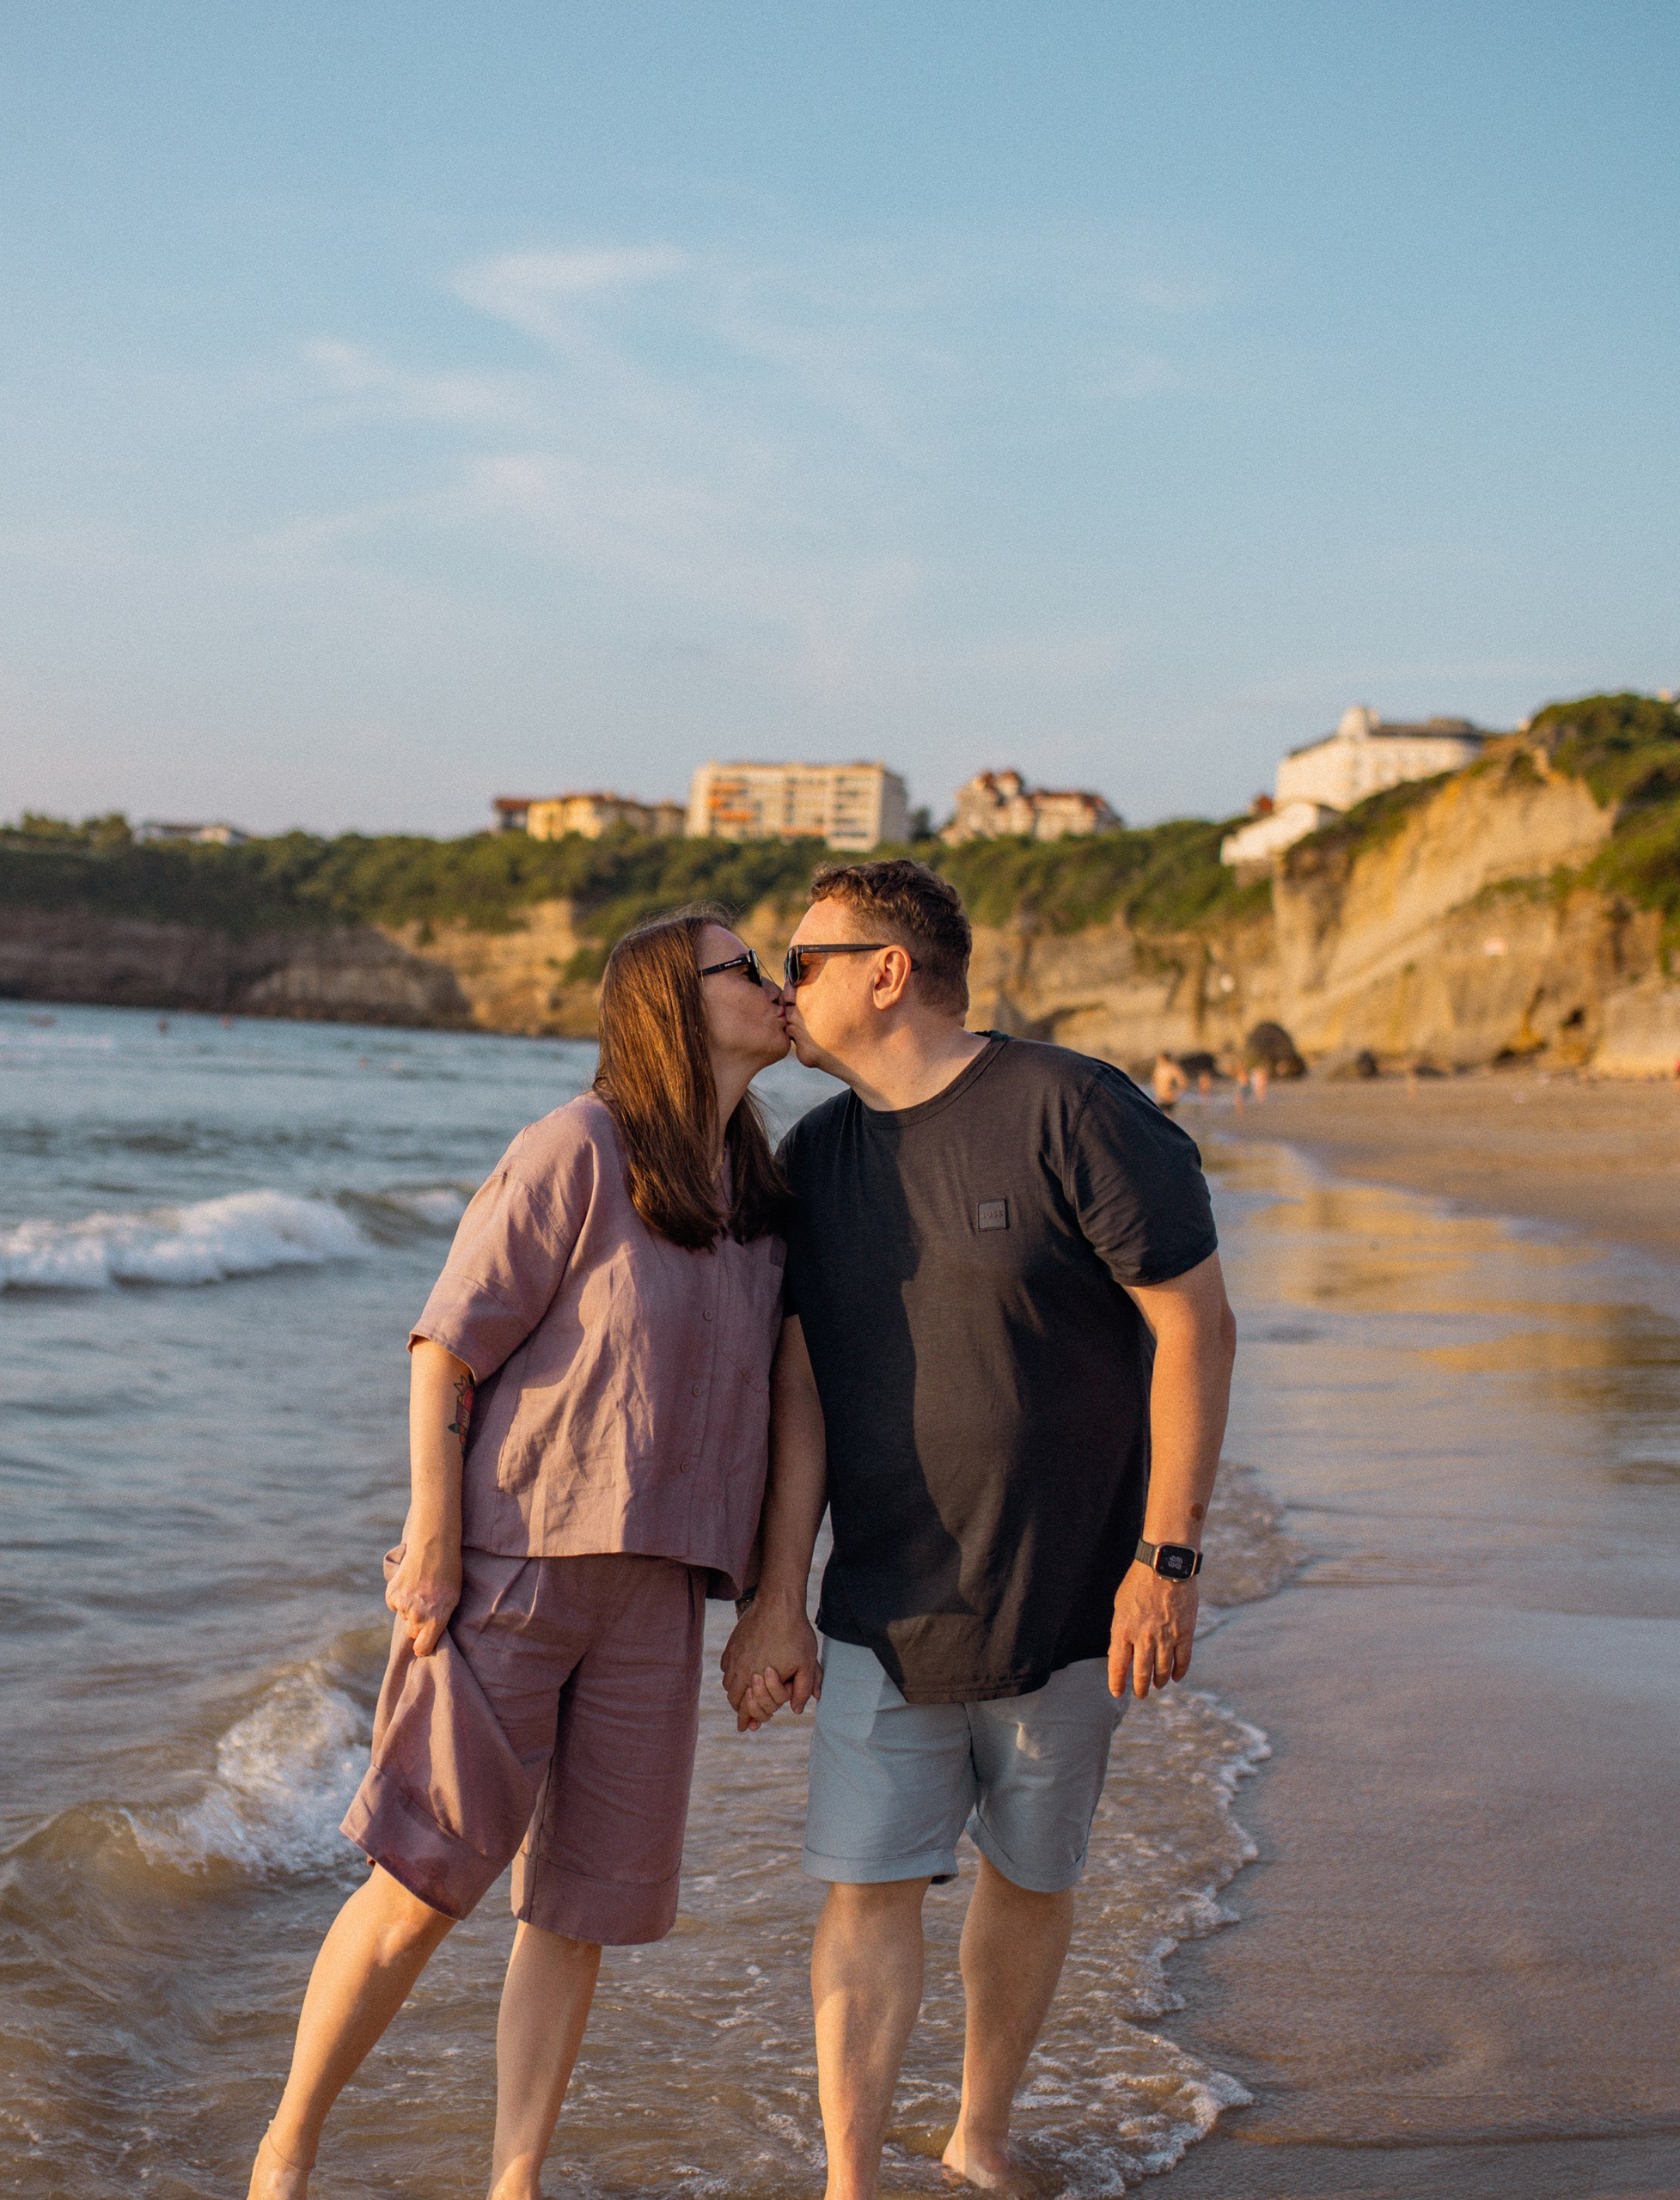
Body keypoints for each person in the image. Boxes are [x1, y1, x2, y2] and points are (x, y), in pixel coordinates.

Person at [250, 907, 792, 2200]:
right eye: (749, 970)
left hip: (661, 1597)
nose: (776, 988)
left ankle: (516, 2180)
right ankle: (288, 2150)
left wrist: (774, 1602)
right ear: (675, 999)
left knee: (581, 1910)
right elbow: (448, 1345)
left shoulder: (762, 1203)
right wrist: (432, 1538)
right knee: (425, 1879)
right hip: (518, 1565)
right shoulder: (575, 1148)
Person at [723, 859, 1237, 2198]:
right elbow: (799, 1388)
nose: (787, 987)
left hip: (1072, 1598)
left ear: (886, 971)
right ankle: (850, 2177)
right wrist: (780, 1591)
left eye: (806, 957)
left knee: (1030, 1869)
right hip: (886, 1606)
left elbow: (1195, 1327)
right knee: (864, 1886)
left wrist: (1165, 1562)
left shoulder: (1074, 1109)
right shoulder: (813, 1158)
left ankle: (981, 2133)